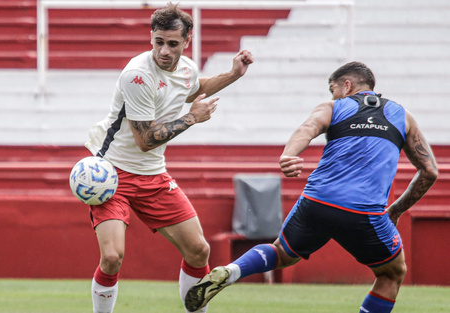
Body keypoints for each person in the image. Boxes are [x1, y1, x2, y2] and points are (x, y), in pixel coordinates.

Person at [184, 61, 438, 313]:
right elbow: (429, 172)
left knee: (281, 252)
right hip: (365, 212)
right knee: (392, 274)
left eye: (333, 89)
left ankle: (231, 271)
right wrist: (395, 210)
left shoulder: (335, 106)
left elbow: (308, 128)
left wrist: (289, 154)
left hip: (317, 202)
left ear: (346, 85)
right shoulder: (402, 116)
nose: (332, 95)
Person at [84, 3, 253, 313]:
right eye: (158, 41)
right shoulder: (137, 75)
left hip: (153, 176)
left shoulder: (187, 68)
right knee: (112, 257)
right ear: (151, 37)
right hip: (112, 175)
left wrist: (232, 74)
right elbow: (146, 140)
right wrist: (191, 119)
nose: (163, 50)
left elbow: (193, 88)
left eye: (172, 43)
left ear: (186, 41)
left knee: (199, 250)